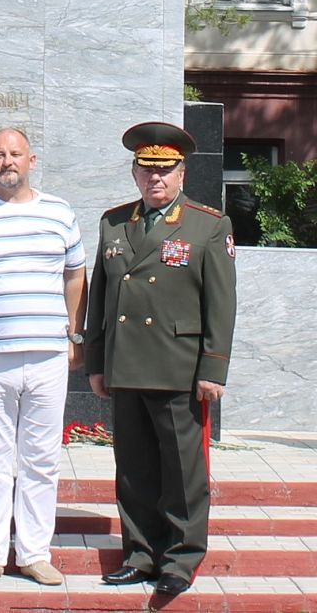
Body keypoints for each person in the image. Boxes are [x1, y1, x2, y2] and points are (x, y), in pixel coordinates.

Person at [86, 122, 237, 596]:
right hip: (126, 364)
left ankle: (180, 558)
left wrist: (213, 368)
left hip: (178, 367)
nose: (156, 178)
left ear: (181, 174)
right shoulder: (114, 222)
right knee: (134, 468)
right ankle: (140, 554)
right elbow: (100, 295)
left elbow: (221, 303)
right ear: (134, 173)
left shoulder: (207, 224)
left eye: (165, 170)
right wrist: (96, 362)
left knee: (182, 471)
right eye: (146, 169)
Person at [0, 128, 87, 587]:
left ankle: (34, 553)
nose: (8, 162)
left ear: (32, 160)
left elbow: (75, 276)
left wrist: (75, 336)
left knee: (41, 458)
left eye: (16, 154)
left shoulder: (60, 213)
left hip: (47, 355)